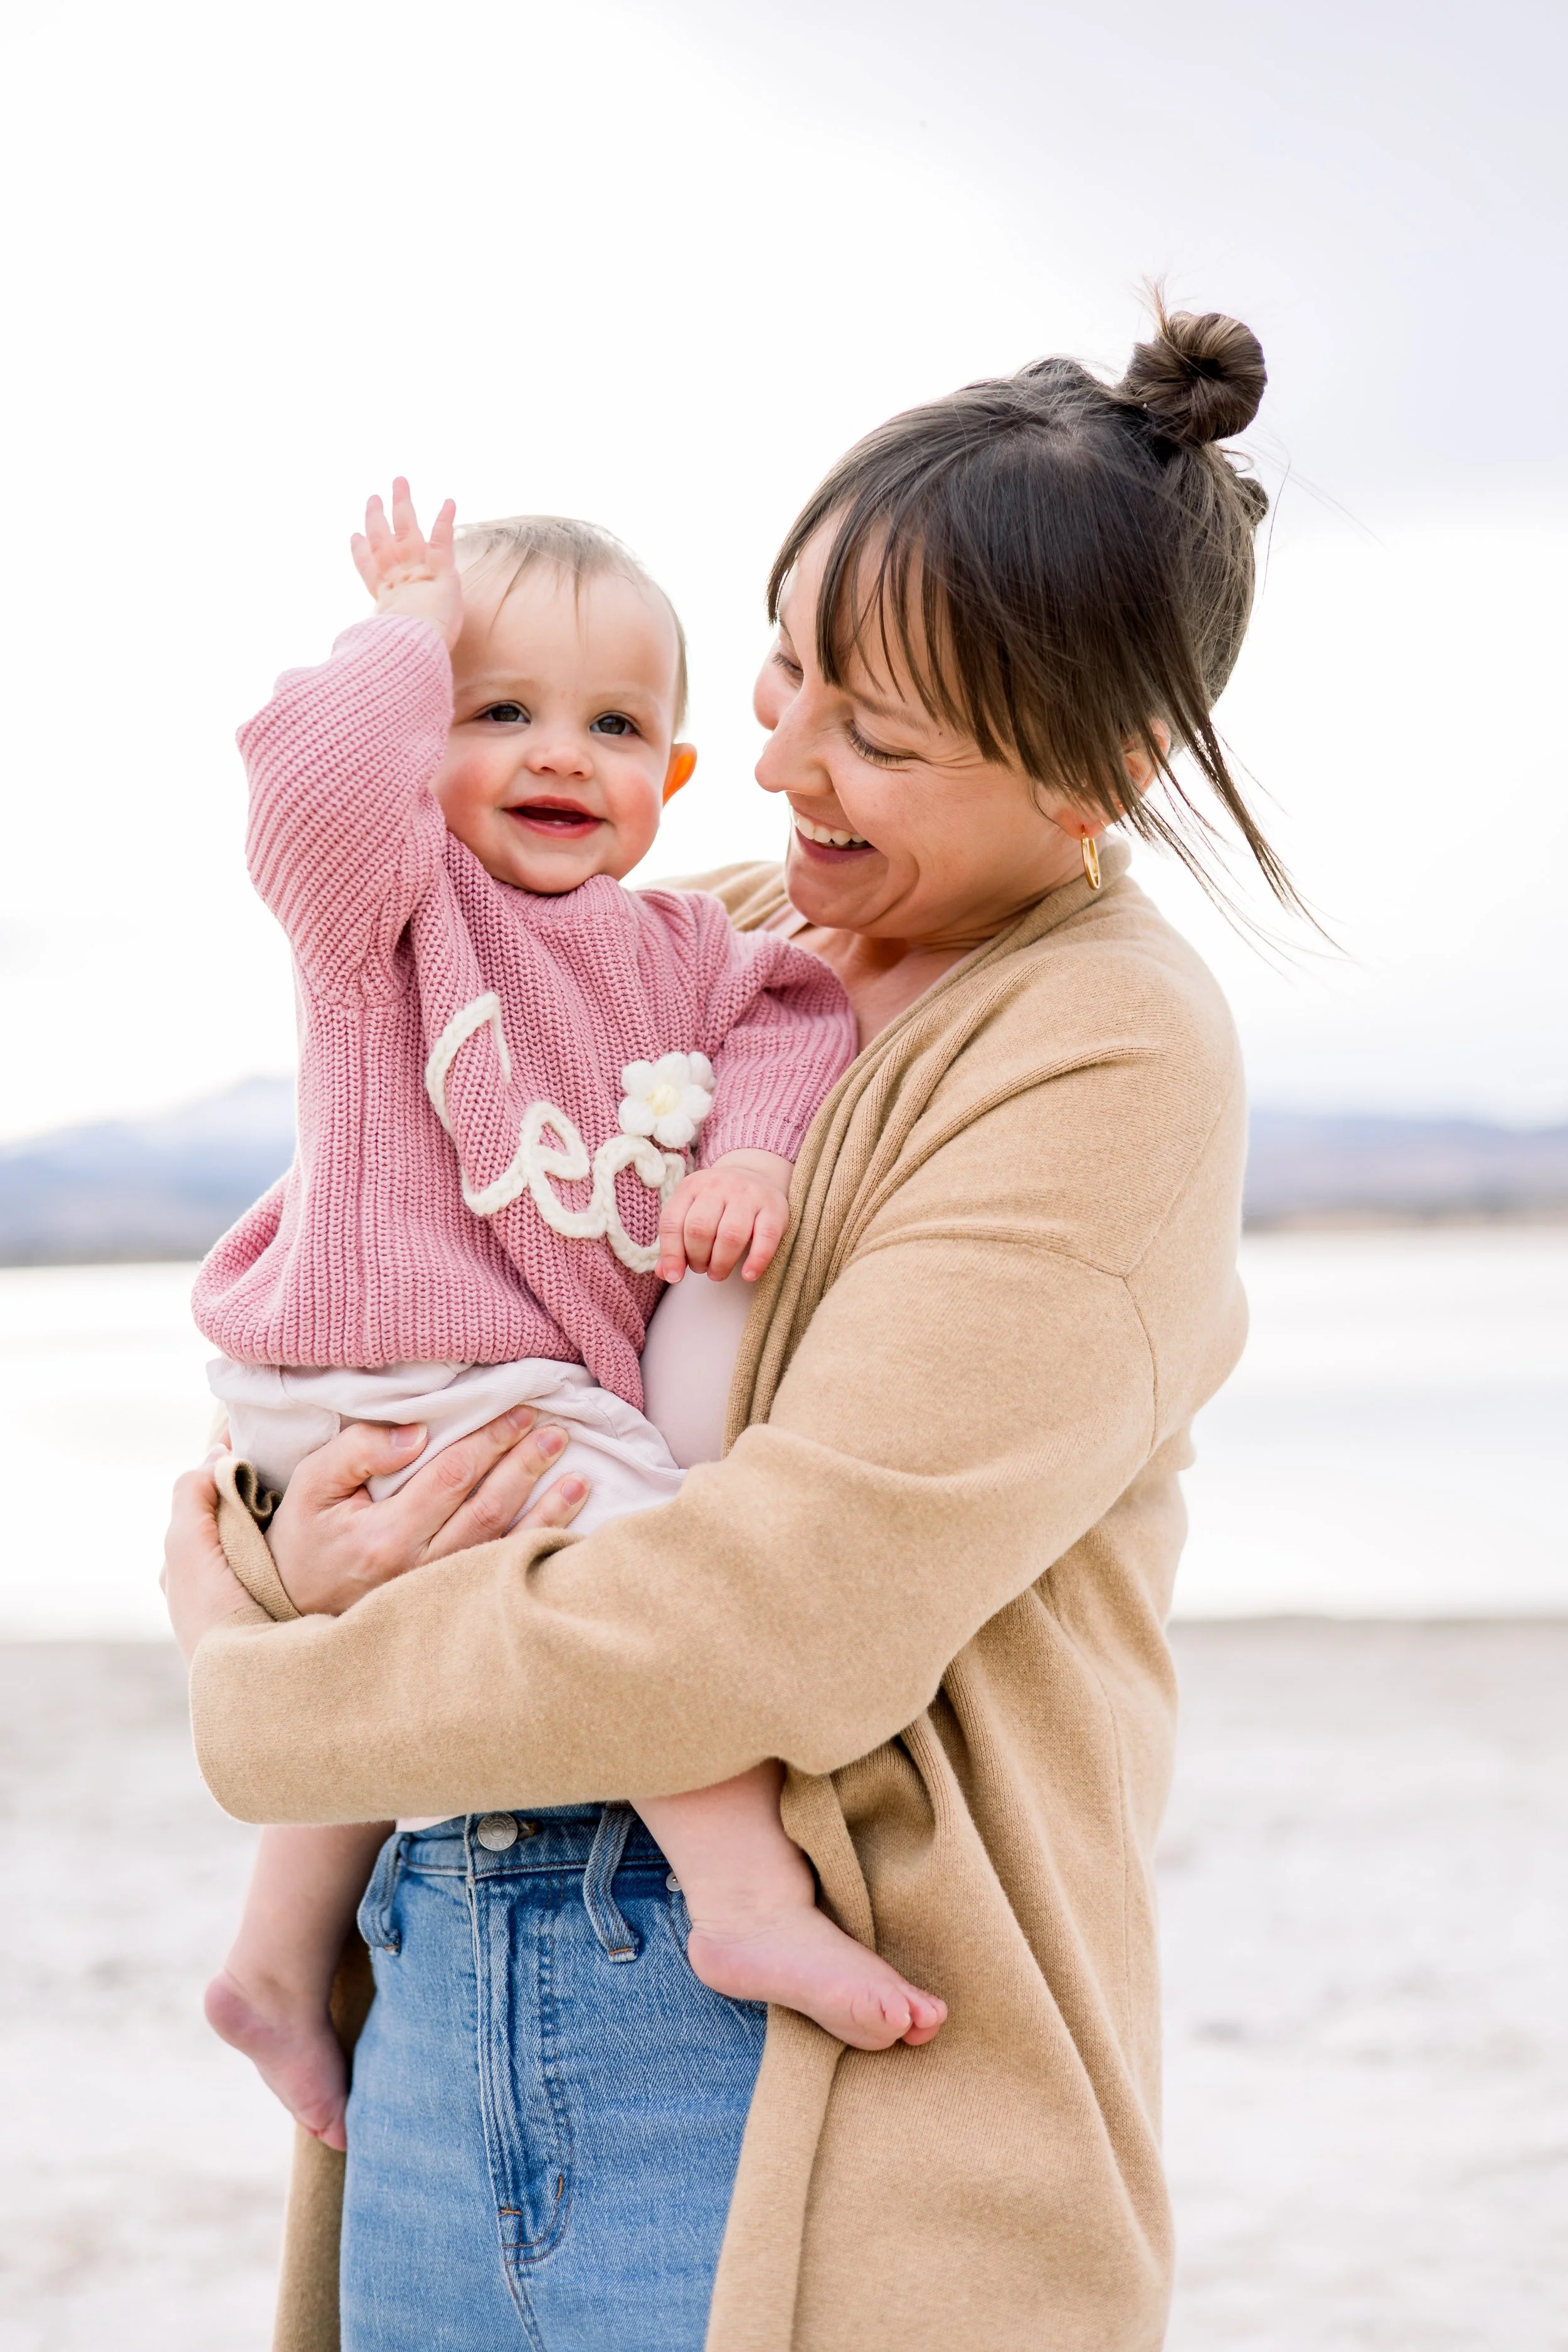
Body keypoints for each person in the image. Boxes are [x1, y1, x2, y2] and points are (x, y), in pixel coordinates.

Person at [166, 304, 1288, 2352]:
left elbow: (778, 1618)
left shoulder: (1097, 1048)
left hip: (784, 2091)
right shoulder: (723, 936)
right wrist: (276, 1551)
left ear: (1099, 772)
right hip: (438, 1986)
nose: (769, 759)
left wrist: (268, 1691)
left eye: (871, 728)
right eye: (782, 666)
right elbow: (369, 1335)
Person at [196, 492, 944, 2159]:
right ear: (417, 751)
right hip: (381, 1350)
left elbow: (794, 1010)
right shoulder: (387, 910)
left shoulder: (686, 943)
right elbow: (307, 782)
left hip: (496, 1370)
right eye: (496, 709)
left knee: (401, 1640)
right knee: (630, 1558)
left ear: (672, 777)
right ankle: (740, 1892)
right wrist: (401, 624)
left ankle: (268, 1957)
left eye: (613, 724)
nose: (559, 752)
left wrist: (750, 1152)